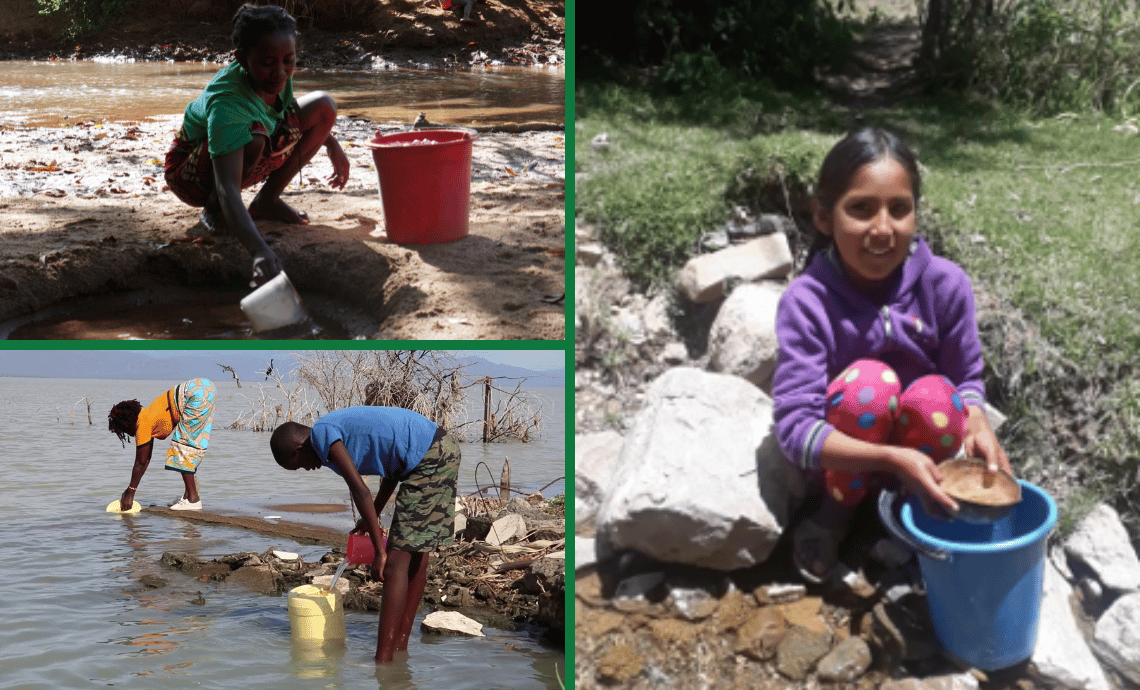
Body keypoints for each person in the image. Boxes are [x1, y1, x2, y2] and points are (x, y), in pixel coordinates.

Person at [772, 126, 1012, 584]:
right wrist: (888, 458)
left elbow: (966, 381)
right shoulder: (807, 302)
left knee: (938, 396)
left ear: (916, 216)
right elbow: (794, 429)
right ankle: (837, 514)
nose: (883, 229)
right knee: (870, 384)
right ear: (824, 218)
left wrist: (978, 422)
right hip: (846, 465)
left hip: (925, 466)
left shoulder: (945, 285)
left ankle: (911, 510)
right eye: (861, 209)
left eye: (899, 209)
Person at [163, 3, 351, 286]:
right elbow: (227, 188)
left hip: (243, 148)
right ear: (242, 58)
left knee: (324, 106)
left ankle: (267, 200)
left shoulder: (277, 74)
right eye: (267, 63)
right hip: (189, 174)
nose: (280, 72)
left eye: (289, 60)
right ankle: (214, 212)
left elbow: (284, 114)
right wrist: (260, 252)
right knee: (255, 135)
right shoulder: (227, 102)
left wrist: (330, 142)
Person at [270, 406, 461, 663]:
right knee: (416, 554)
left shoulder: (323, 435)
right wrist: (371, 516)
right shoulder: (329, 434)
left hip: (429, 457)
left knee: (393, 565)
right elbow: (392, 471)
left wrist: (380, 551)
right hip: (439, 448)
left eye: (298, 467)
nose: (306, 470)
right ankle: (398, 650)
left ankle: (383, 661)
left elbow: (359, 489)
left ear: (298, 450)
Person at [108, 378, 217, 512]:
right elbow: (146, 458)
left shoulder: (142, 424)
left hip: (193, 394)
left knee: (182, 447)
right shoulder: (147, 414)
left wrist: (130, 493)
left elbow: (140, 462)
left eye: (123, 430)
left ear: (126, 424)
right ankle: (189, 494)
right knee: (193, 444)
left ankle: (193, 500)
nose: (127, 434)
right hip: (205, 387)